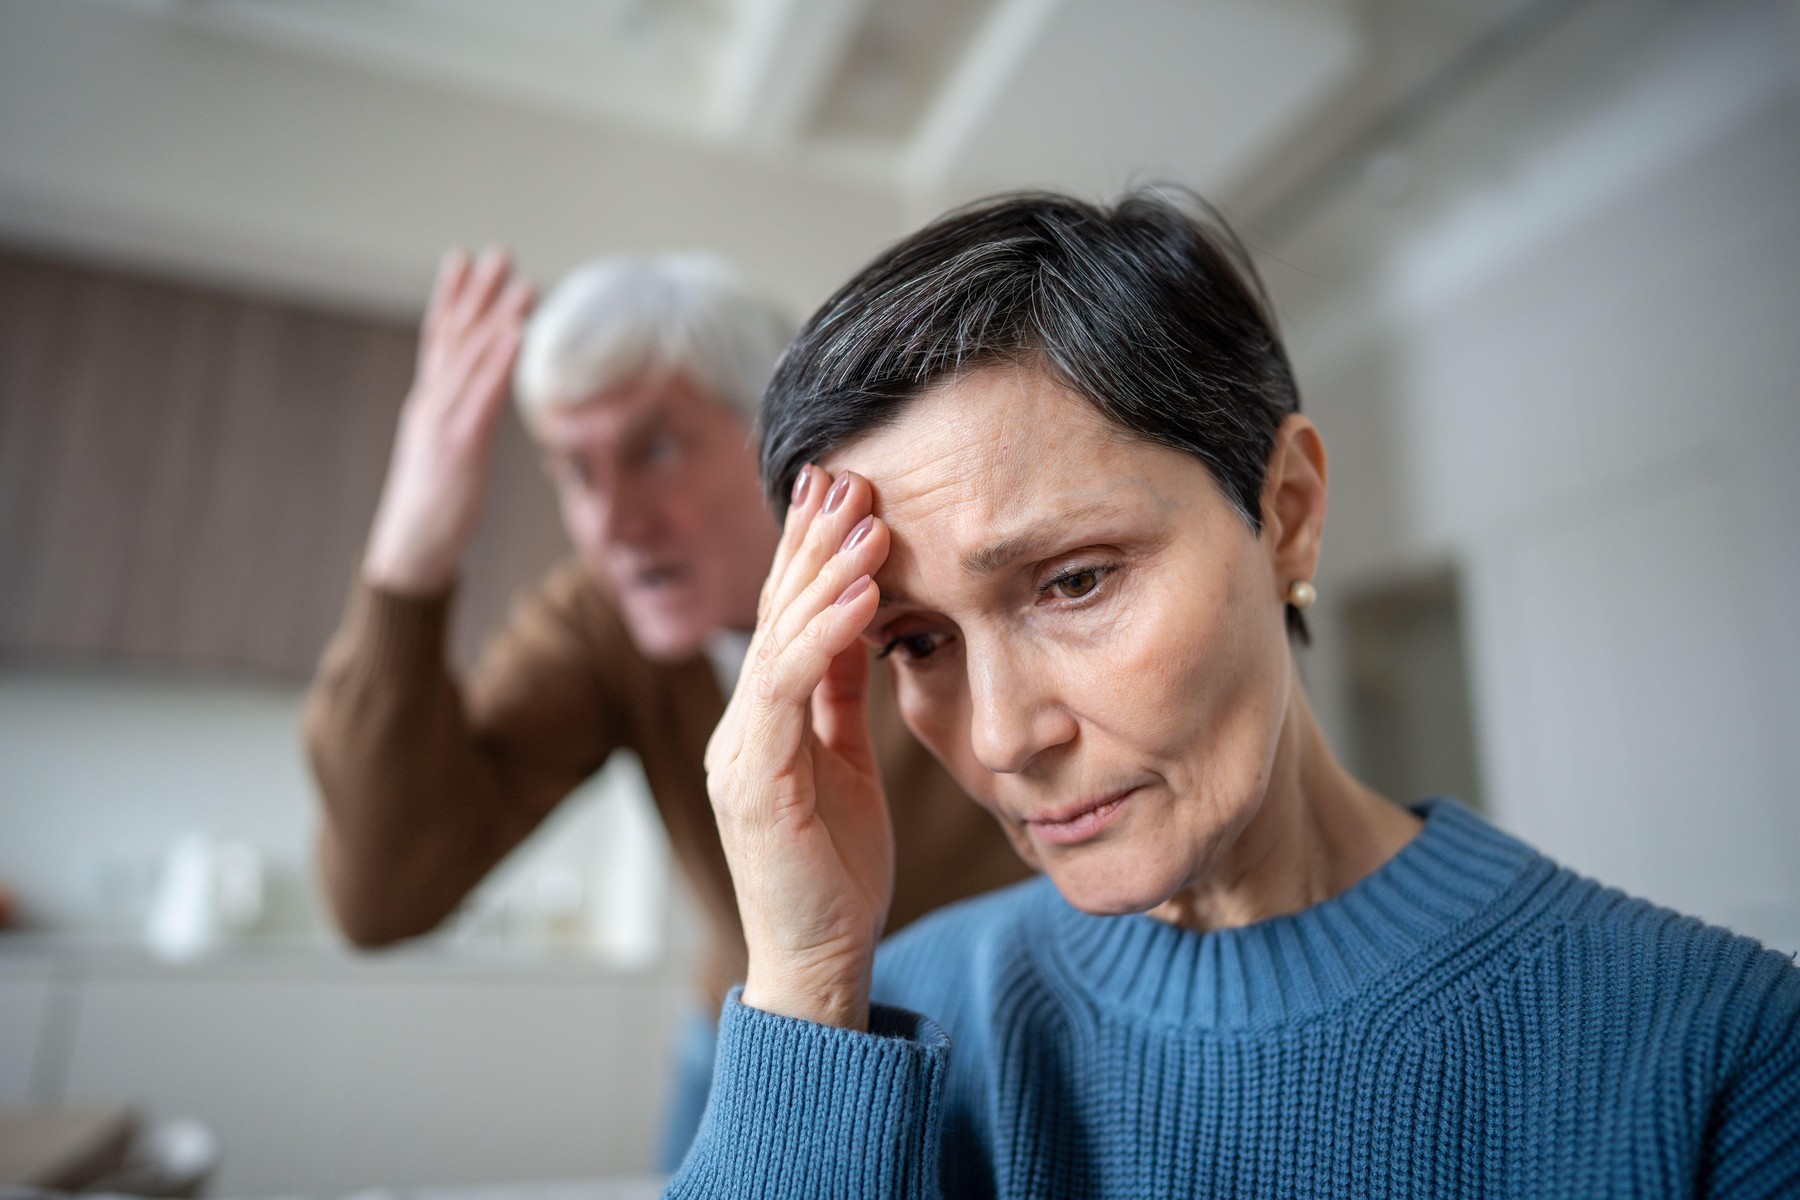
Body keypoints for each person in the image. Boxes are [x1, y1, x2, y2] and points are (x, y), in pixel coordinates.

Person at [667, 191, 1800, 1198]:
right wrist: (808, 982)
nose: (1006, 737)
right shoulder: (880, 1027)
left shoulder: (1720, 1047)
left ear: (1290, 511)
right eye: (916, 642)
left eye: (1074, 581)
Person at [301, 248, 1029, 1170]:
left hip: (1001, 1048)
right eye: (574, 470)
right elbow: (380, 896)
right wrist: (412, 551)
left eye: (652, 449)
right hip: (762, 1047)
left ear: (778, 435)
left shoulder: (923, 574)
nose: (612, 520)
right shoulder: (600, 619)